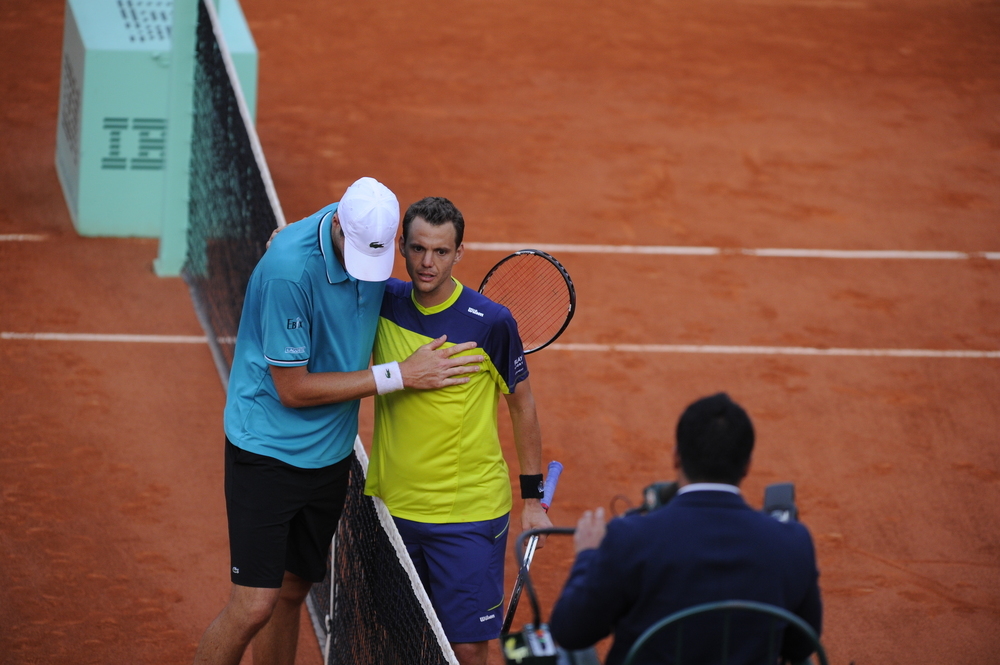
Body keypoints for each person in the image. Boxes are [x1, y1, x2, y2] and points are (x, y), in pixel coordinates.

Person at [193, 178, 484, 665]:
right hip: (268, 451)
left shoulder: (365, 217)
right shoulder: (289, 272)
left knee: (291, 593)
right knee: (253, 606)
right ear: (340, 229)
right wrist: (399, 375)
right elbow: (293, 389)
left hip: (330, 457)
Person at [363, 196, 553, 665]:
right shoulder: (379, 301)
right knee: (398, 639)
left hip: (466, 515)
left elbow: (522, 406)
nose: (428, 263)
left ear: (459, 252)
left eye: (441, 251)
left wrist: (533, 501)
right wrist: (291, 236)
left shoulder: (491, 322)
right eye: (418, 248)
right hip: (393, 508)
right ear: (400, 247)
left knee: (467, 648)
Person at [550, 393, 822, 665]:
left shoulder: (630, 538)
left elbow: (570, 632)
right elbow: (800, 647)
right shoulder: (794, 543)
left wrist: (587, 556)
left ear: (676, 457)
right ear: (748, 464)